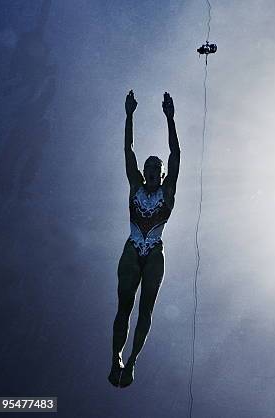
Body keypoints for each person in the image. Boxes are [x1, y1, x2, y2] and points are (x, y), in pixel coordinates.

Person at [108, 90, 180, 388]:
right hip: (132, 246)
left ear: (161, 174)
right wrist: (129, 116)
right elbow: (128, 152)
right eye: (147, 167)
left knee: (145, 308)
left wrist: (170, 119)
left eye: (156, 168)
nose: (151, 170)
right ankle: (116, 358)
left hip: (154, 250)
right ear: (143, 172)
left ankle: (133, 360)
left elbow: (176, 154)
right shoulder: (135, 185)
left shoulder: (167, 191)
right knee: (124, 305)